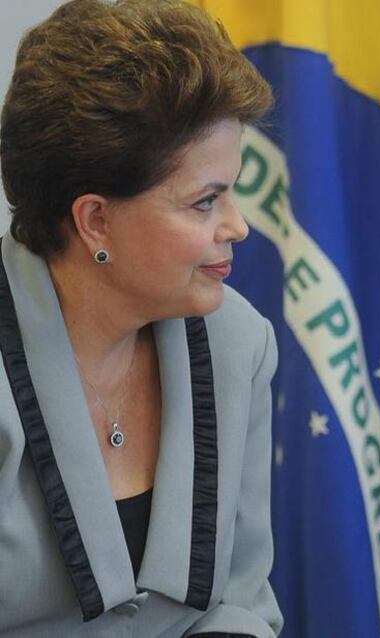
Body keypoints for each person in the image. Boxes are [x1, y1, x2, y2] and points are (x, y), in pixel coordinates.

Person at [0, 0, 283, 636]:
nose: (237, 226)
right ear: (95, 219)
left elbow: (240, 598)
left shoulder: (241, 344)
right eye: (205, 202)